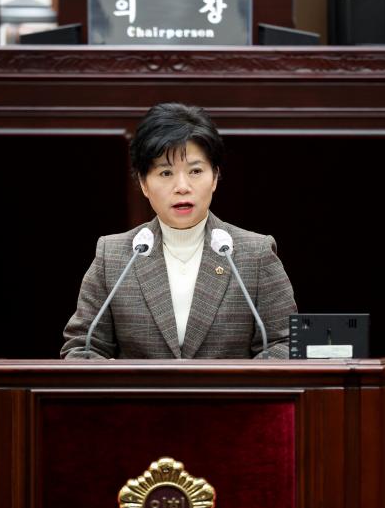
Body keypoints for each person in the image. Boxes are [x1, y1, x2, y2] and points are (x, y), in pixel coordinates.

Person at [61, 103, 296, 360]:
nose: (182, 186)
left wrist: (237, 382)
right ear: (143, 183)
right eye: (166, 172)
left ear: (215, 177)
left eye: (195, 171)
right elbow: (82, 348)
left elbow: (284, 344)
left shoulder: (255, 254)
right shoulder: (114, 256)